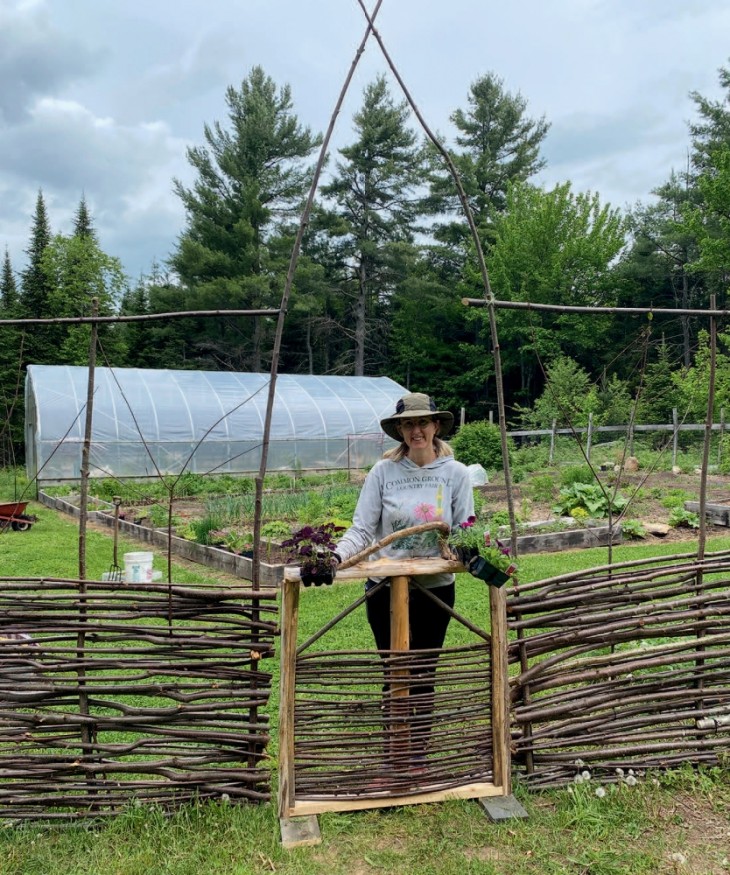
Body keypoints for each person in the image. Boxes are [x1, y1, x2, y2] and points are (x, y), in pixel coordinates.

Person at [334, 392, 475, 760]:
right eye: (409, 423)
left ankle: (418, 754)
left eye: (423, 423)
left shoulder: (456, 474)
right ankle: (395, 750)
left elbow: (464, 530)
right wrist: (332, 558)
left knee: (425, 671)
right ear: (399, 429)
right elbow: (362, 530)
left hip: (434, 590)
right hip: (384, 588)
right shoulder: (383, 473)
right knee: (394, 670)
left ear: (436, 426)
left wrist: (469, 550)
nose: (417, 430)